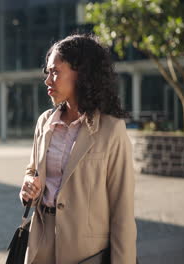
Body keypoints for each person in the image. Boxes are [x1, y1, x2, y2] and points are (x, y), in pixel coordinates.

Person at [20, 34, 136, 264]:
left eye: (55, 72)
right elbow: (32, 171)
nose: (48, 80)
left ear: (82, 73)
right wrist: (27, 190)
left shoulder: (111, 129)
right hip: (40, 247)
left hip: (86, 253)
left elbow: (122, 210)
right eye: (48, 72)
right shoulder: (45, 122)